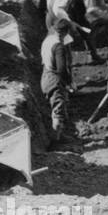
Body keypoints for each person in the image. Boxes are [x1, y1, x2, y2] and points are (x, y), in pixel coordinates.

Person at [40, 19, 77, 149]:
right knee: (58, 110)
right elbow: (61, 69)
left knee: (56, 108)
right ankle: (55, 143)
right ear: (66, 32)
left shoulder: (47, 40)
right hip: (54, 79)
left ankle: (60, 136)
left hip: (46, 75)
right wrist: (69, 83)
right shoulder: (58, 46)